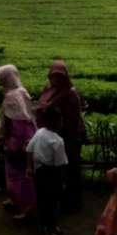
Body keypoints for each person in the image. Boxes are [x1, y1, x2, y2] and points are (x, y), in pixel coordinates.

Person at [35, 60, 85, 212]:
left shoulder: (71, 93)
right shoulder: (48, 89)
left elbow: (73, 119)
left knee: (69, 170)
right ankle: (60, 201)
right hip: (51, 135)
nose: (56, 79)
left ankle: (72, 203)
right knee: (55, 171)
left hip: (67, 137)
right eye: (53, 76)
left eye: (59, 76)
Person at [0, 64, 37, 220]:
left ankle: (26, 208)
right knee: (20, 174)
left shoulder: (11, 97)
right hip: (27, 140)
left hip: (17, 143)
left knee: (18, 176)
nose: (0, 83)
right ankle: (17, 201)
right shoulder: (22, 92)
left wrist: (1, 135)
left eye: (1, 79)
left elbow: (13, 122)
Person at [26, 106, 68, 235]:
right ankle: (50, 231)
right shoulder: (58, 141)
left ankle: (45, 227)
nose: (62, 122)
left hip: (39, 173)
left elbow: (29, 149)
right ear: (56, 122)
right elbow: (59, 165)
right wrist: (61, 181)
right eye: (61, 120)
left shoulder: (39, 132)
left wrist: (29, 167)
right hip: (52, 175)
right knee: (53, 204)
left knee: (42, 202)